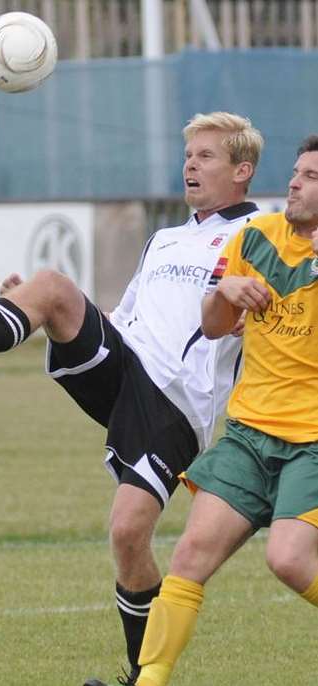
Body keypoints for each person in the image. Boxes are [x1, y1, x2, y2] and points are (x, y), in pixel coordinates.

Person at [0, 112, 263, 686]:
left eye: (206, 156)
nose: (190, 165)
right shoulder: (165, 238)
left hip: (177, 403)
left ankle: (142, 674)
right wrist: (34, 310)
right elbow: (123, 320)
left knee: (129, 534)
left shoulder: (258, 235)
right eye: (189, 155)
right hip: (126, 365)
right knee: (52, 288)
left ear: (242, 171)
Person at [134, 134, 318, 686]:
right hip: (249, 432)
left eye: (311, 177)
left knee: (287, 559)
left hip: (312, 440)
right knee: (189, 557)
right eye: (296, 171)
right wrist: (225, 291)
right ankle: (150, 681)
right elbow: (213, 325)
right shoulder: (255, 236)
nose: (294, 182)